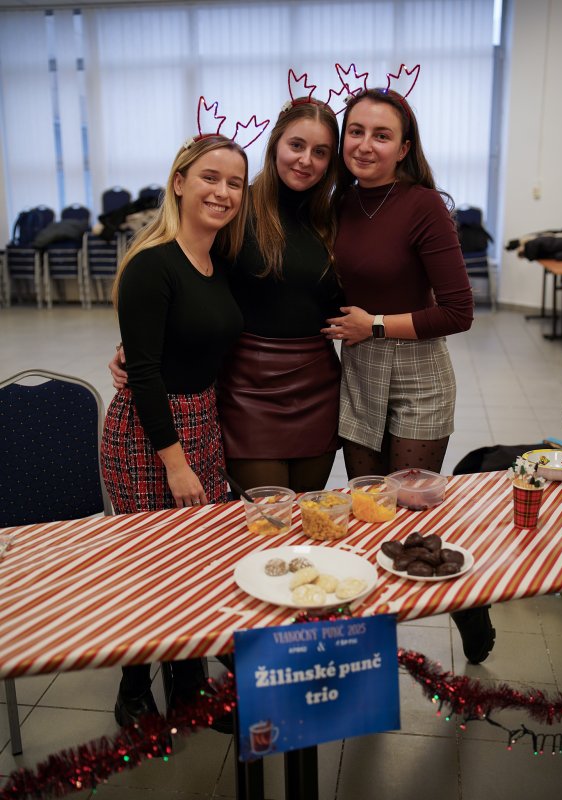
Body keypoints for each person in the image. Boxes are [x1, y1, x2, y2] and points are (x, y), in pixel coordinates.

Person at [322, 87, 495, 664]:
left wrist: (372, 325)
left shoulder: (423, 206)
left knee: (411, 515)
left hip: (418, 371)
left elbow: (458, 312)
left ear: (404, 147)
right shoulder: (338, 202)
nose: (364, 145)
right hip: (360, 370)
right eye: (355, 132)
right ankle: (375, 644)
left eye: (382, 135)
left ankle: (468, 608)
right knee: (371, 516)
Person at [111, 97, 342, 493]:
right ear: (275, 145)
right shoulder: (236, 208)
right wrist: (132, 346)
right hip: (248, 385)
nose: (306, 159)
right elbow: (178, 283)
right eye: (296, 145)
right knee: (265, 517)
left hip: (317, 383)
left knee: (305, 514)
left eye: (320, 152)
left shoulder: (332, 218)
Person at [100, 134, 248, 729]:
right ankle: (133, 689)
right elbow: (145, 372)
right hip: (149, 433)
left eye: (235, 183)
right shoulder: (151, 264)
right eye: (210, 177)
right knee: (151, 568)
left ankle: (189, 690)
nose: (222, 192)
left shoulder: (217, 263)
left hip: (201, 420)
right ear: (180, 182)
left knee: (192, 561)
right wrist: (176, 462)